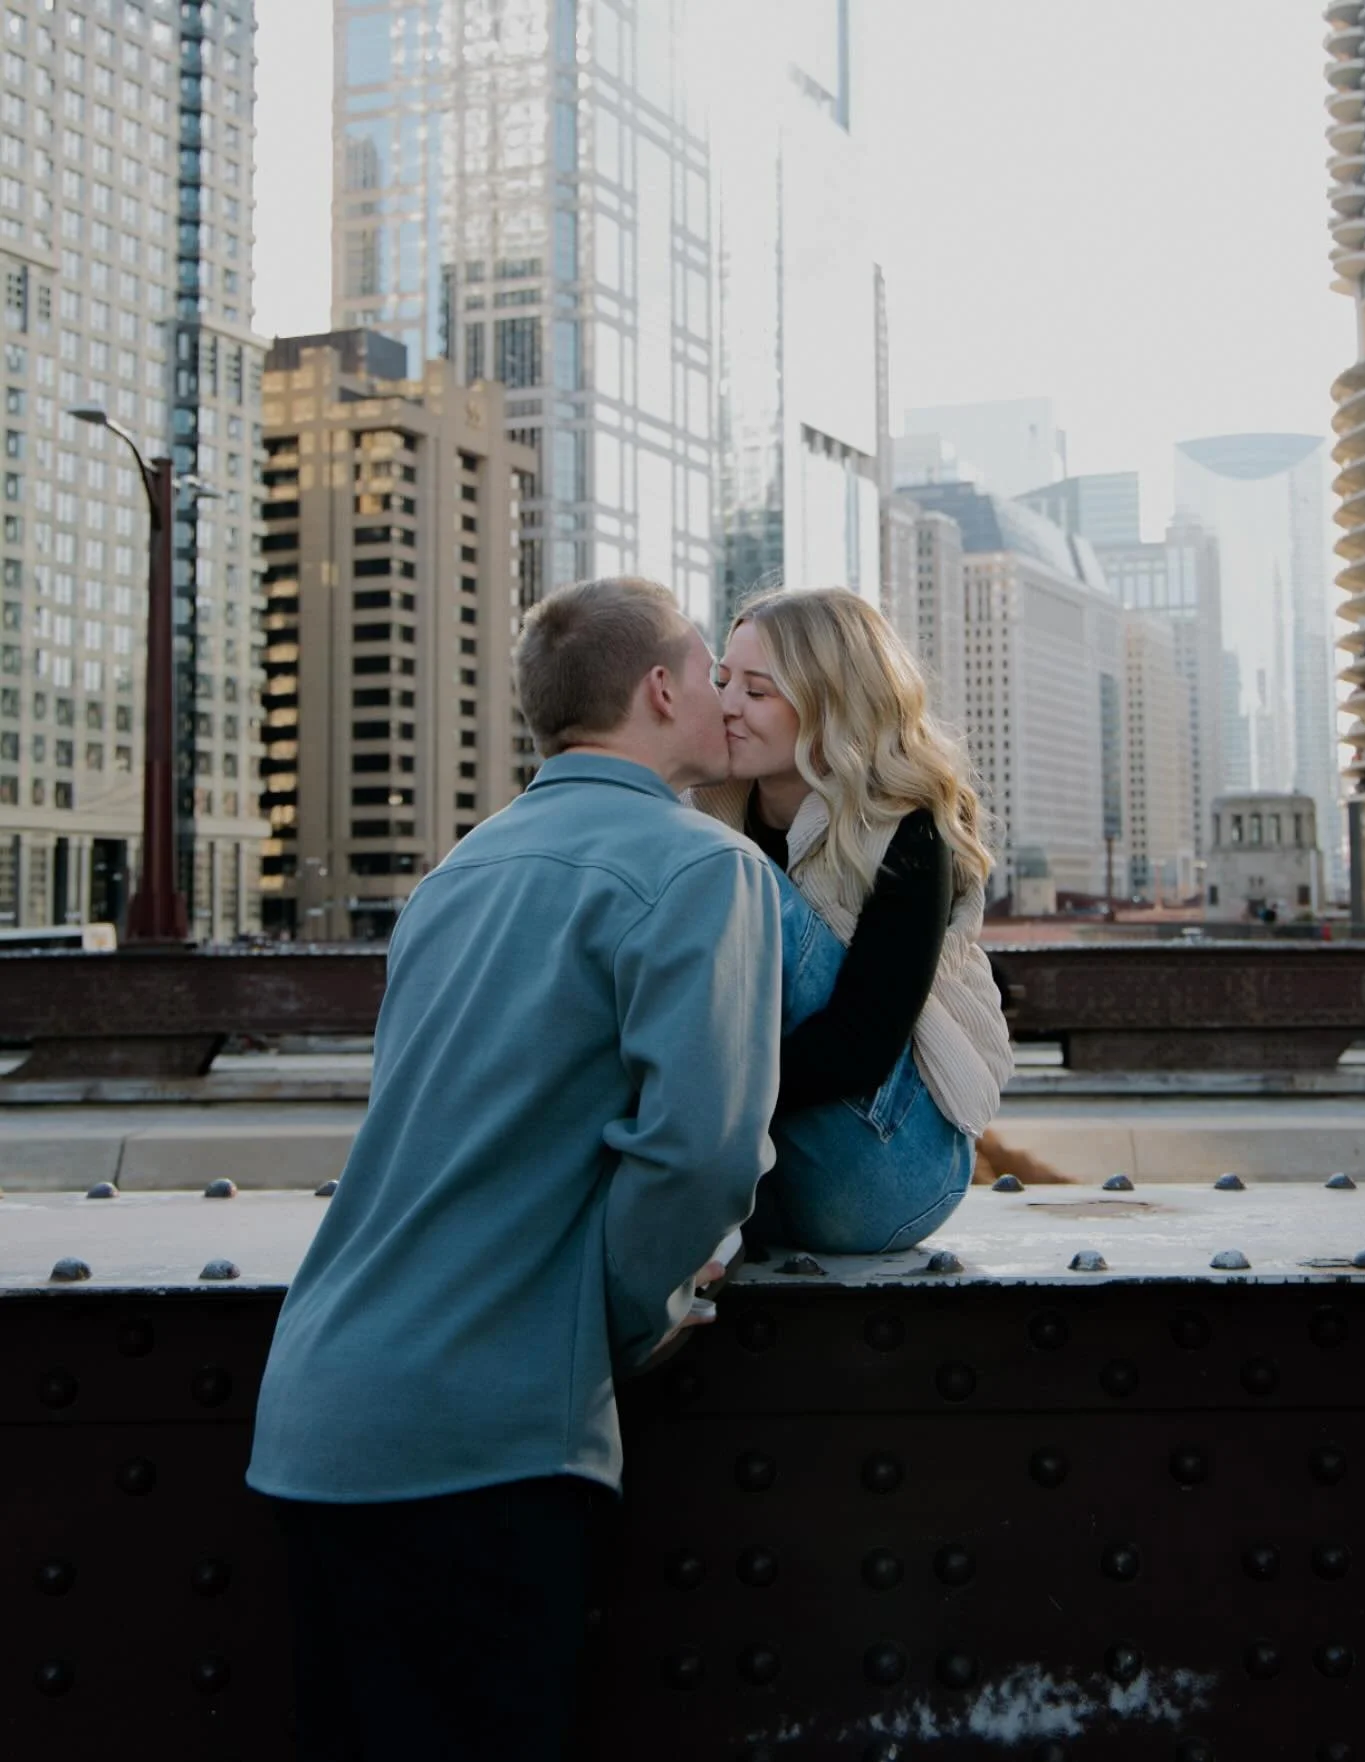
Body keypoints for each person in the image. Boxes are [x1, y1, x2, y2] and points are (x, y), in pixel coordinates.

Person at [246, 577, 783, 1762]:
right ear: (658, 689)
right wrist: (615, 1324)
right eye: (710, 675)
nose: (725, 701)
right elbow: (701, 1152)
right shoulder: (704, 869)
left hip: (318, 1413)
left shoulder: (455, 875)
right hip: (482, 1443)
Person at [696, 585, 1014, 1254]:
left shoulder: (905, 831)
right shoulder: (707, 807)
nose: (726, 706)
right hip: (766, 1181)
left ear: (829, 702)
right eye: (722, 680)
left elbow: (858, 1046)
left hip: (891, 1170)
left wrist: (686, 1101)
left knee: (728, 873)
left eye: (757, 691)